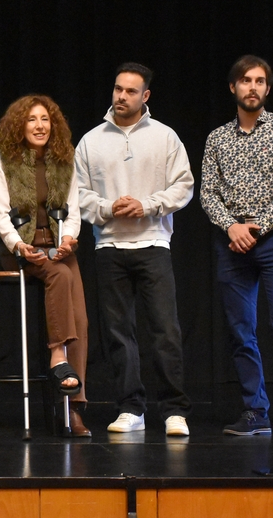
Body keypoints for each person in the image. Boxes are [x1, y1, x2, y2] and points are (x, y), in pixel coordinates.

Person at [75, 62, 193, 436]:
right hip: (109, 246)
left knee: (165, 330)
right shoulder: (91, 140)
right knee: (117, 331)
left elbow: (183, 185)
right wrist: (109, 208)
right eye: (117, 89)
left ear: (145, 96)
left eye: (129, 91)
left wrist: (148, 204)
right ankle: (130, 407)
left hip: (154, 242)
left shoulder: (165, 137)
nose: (121, 96)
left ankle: (174, 410)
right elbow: (76, 194)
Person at [200, 54, 273, 440]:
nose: (253, 87)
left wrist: (257, 227)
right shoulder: (217, 138)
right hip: (231, 243)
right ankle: (254, 410)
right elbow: (208, 192)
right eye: (246, 80)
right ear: (234, 87)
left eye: (260, 81)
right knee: (240, 330)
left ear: (267, 88)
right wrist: (231, 226)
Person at [0, 94, 91, 437]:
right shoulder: (8, 161)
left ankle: (74, 406)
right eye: (32, 119)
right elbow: (1, 212)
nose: (39, 125)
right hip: (22, 248)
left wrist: (68, 240)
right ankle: (58, 359)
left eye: (45, 119)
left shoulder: (65, 160)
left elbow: (73, 209)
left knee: (81, 319)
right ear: (20, 125)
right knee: (60, 276)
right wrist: (18, 244)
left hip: (58, 248)